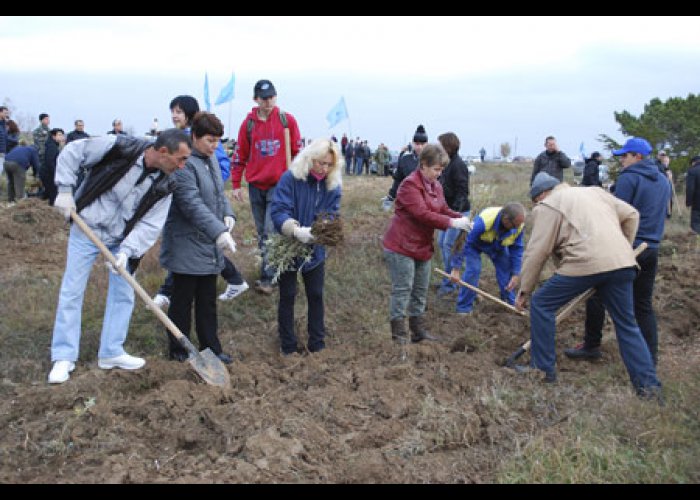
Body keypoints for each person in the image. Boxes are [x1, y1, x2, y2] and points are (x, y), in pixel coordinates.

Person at [47, 128, 192, 384]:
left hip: (120, 238)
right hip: (86, 226)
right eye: (180, 159)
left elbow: (150, 224)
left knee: (124, 292)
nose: (182, 166)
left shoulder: (168, 182)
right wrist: (66, 189)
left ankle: (111, 351)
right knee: (72, 289)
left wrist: (127, 251)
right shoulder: (120, 147)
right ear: (162, 152)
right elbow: (73, 151)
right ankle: (64, 355)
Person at [513, 171, 663, 401]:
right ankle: (649, 389)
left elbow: (537, 251)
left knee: (542, 303)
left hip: (584, 264)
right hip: (622, 264)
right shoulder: (595, 192)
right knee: (627, 325)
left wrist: (525, 289)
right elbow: (632, 214)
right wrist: (624, 247)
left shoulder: (548, 205)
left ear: (541, 194)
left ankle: (542, 370)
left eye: (535, 201)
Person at [565, 137, 672, 365]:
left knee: (596, 295)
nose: (621, 160)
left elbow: (614, 216)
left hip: (627, 247)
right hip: (651, 248)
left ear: (638, 157)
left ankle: (592, 346)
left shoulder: (629, 178)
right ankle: (650, 359)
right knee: (642, 305)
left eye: (625, 156)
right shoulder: (663, 180)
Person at [152, 95, 247, 308]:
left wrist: (226, 212)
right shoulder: (175, 140)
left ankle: (234, 280)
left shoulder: (206, 146)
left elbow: (218, 180)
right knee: (188, 261)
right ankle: (168, 292)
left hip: (205, 207)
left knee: (204, 260)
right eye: (172, 111)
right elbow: (187, 198)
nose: (174, 115)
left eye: (179, 111)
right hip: (185, 216)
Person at [160, 112, 236, 365]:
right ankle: (179, 350)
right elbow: (191, 204)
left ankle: (211, 348)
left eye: (217, 141)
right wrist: (219, 232)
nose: (214, 146)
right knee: (183, 300)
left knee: (207, 299)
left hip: (208, 243)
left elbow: (218, 193)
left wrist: (227, 214)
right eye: (209, 140)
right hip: (187, 242)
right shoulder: (185, 164)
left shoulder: (211, 159)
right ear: (194, 136)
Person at [382, 143, 472, 344]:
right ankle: (399, 335)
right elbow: (422, 214)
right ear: (423, 165)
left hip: (422, 246)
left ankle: (418, 330)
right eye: (436, 169)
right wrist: (451, 223)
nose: (439, 174)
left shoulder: (436, 186)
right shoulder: (409, 185)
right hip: (401, 246)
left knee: (421, 289)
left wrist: (460, 218)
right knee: (403, 288)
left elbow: (442, 209)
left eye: (441, 170)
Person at [270, 138, 342, 355]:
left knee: (316, 293)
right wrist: (294, 229)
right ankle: (288, 345)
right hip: (288, 245)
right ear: (310, 159)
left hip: (315, 248)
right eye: (321, 163)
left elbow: (332, 212)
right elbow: (279, 209)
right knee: (288, 294)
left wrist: (323, 230)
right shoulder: (291, 178)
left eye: (329, 165)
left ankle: (317, 343)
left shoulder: (332, 185)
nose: (324, 168)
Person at [231, 79, 302, 295]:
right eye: (264, 98)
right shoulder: (248, 125)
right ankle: (278, 269)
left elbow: (297, 152)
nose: (268, 101)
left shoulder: (286, 121)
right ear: (256, 99)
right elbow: (240, 154)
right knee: (263, 231)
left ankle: (268, 278)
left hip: (279, 186)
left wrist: (297, 178)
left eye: (271, 96)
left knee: (271, 230)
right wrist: (236, 184)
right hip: (255, 185)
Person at [449, 203, 525, 314]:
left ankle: (510, 304)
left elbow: (517, 249)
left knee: (506, 273)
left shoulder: (518, 226)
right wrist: (456, 269)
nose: (516, 229)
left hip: (497, 245)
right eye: (514, 226)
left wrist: (515, 273)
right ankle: (464, 309)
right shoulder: (484, 221)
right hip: (474, 244)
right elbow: (463, 240)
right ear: (506, 220)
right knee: (473, 271)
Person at [436, 132, 471, 297]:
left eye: (440, 145)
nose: (438, 148)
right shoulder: (446, 163)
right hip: (447, 212)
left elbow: (463, 191)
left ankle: (450, 284)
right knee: (441, 243)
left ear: (448, 146)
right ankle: (448, 278)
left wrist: (456, 215)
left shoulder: (458, 165)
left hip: (458, 213)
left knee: (449, 246)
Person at [382, 125, 428, 211]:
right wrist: (391, 197)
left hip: (427, 203)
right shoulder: (405, 159)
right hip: (408, 201)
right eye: (417, 144)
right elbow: (398, 180)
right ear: (413, 144)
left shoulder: (432, 160)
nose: (420, 147)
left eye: (422, 144)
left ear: (427, 144)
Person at [42, 128, 66, 205]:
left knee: (48, 192)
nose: (61, 136)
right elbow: (50, 162)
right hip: (48, 173)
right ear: (53, 136)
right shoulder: (51, 146)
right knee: (52, 193)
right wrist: (55, 173)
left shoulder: (55, 145)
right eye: (59, 135)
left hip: (49, 172)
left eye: (62, 135)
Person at [655, 150, 673, 218]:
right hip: (659, 185)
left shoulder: (664, 164)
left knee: (669, 199)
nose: (662, 157)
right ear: (658, 155)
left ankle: (668, 214)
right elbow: (658, 173)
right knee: (661, 200)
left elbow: (667, 171)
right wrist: (666, 173)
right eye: (661, 155)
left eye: (663, 155)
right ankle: (663, 214)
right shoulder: (655, 163)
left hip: (667, 184)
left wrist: (668, 170)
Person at [33, 113, 50, 180]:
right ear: (41, 120)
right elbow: (37, 142)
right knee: (39, 171)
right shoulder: (37, 131)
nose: (48, 121)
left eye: (48, 119)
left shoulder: (49, 131)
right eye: (46, 119)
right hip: (40, 154)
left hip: (48, 154)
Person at [686, 155, 700, 234]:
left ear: (693, 162)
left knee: (696, 225)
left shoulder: (692, 171)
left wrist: (688, 202)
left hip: (697, 203)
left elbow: (690, 189)